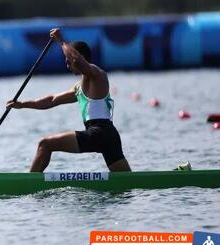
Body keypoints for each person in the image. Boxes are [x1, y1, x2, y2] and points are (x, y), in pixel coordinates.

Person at [7, 28, 131, 172]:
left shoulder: (96, 74)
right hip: (108, 136)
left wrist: (61, 40)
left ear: (81, 57)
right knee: (127, 181)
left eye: (68, 62)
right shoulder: (79, 87)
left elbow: (76, 60)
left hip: (99, 132)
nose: (68, 65)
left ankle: (27, 184)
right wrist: (22, 104)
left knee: (45, 144)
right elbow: (52, 100)